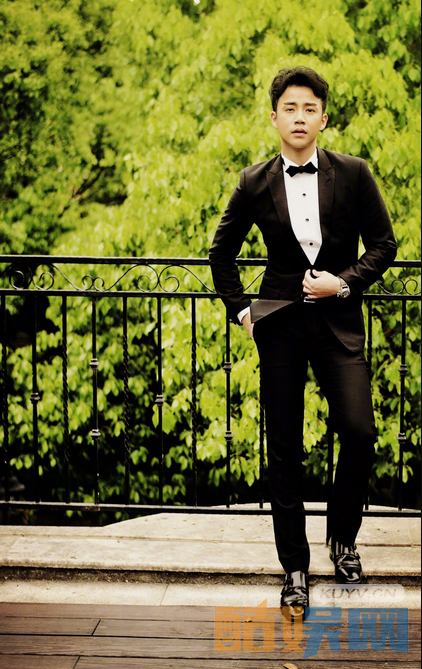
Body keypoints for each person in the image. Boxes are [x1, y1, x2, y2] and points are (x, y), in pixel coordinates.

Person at [209, 66, 397, 616]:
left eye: (309, 109)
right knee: (285, 446)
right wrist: (241, 309)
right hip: (281, 327)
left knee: (359, 432)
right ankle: (294, 567)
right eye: (289, 108)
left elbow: (383, 245)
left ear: (323, 118)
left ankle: (343, 540)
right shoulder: (253, 181)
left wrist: (344, 282)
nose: (299, 117)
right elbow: (221, 254)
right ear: (274, 118)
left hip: (339, 323)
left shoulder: (354, 173)